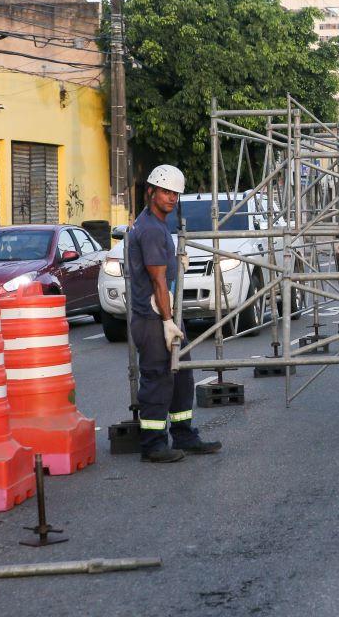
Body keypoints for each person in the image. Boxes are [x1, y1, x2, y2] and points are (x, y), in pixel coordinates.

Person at [129, 165, 221, 463]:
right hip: (154, 317)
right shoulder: (151, 229)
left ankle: (184, 435)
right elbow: (157, 280)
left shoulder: (156, 225)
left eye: (175, 194)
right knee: (158, 377)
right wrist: (168, 322)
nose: (171, 198)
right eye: (166, 191)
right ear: (151, 192)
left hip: (165, 313)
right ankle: (153, 444)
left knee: (181, 377)